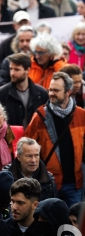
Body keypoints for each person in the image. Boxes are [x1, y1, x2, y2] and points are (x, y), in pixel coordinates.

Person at [25, 71, 85, 207]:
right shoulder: (40, 117)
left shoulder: (81, 115)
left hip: (74, 185)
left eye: (56, 90)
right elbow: (25, 146)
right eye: (50, 89)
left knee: (72, 225)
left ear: (68, 92)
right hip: (48, 184)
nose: (51, 93)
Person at [0, 53, 49, 128]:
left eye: (17, 69)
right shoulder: (0, 95)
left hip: (35, 138)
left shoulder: (42, 94)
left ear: (27, 70)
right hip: (11, 138)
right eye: (11, 69)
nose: (12, 73)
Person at [4, 137, 56, 201]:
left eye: (36, 155)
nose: (33, 160)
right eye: (29, 156)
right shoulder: (6, 178)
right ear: (18, 157)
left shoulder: (48, 180)